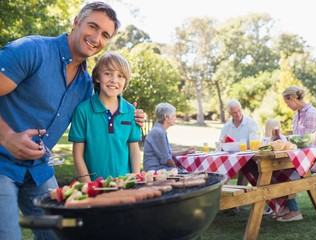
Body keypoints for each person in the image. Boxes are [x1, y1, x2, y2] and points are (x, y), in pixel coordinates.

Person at [0, 2, 145, 239]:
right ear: (76, 22)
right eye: (92, 26)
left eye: (105, 35)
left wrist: (133, 113)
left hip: (38, 170)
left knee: (64, 234)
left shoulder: (85, 85)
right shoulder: (32, 50)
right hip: (1, 163)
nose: (96, 37)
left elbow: (108, 99)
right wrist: (6, 136)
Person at [69, 52, 141, 182]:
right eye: (108, 73)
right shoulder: (82, 110)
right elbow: (77, 155)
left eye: (120, 76)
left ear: (125, 82)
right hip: (95, 186)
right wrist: (88, 186)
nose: (114, 80)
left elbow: (134, 150)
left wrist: (136, 180)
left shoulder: (131, 111)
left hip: (124, 185)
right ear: (97, 77)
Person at [276, 86, 316, 222]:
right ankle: (287, 206)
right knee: (275, 170)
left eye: (287, 102)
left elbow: (308, 143)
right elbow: (298, 141)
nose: (287, 106)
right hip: (301, 157)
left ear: (292, 98)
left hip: (315, 158)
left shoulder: (312, 114)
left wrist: (287, 140)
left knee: (284, 174)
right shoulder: (297, 115)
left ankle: (294, 211)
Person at [143, 102, 196, 172]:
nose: (175, 118)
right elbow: (166, 159)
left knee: (187, 170)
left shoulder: (159, 131)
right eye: (174, 115)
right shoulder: (158, 133)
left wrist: (184, 152)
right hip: (155, 170)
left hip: (159, 168)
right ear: (166, 117)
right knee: (190, 172)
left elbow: (167, 154)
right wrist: (176, 169)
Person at [219, 99, 259, 185]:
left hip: (248, 159)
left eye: (239, 111)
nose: (238, 114)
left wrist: (242, 148)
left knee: (245, 165)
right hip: (231, 160)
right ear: (230, 113)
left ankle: (241, 190)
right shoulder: (227, 126)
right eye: (234, 112)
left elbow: (254, 145)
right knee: (219, 169)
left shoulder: (251, 123)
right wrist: (223, 142)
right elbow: (220, 144)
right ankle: (226, 192)